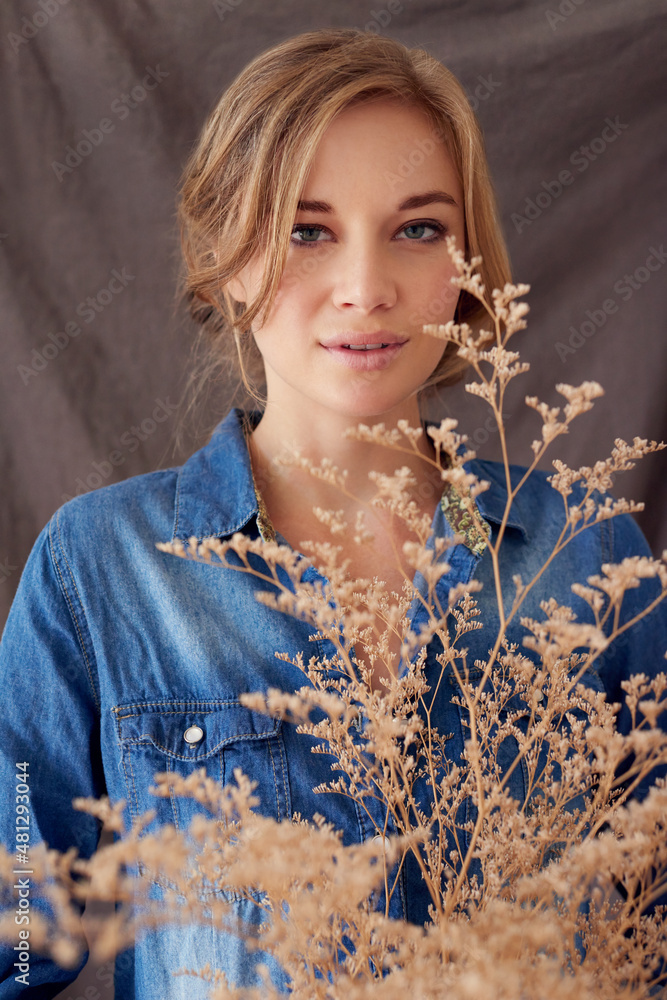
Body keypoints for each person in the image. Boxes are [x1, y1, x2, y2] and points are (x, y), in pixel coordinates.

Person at [1, 28, 665, 999]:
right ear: (228, 261)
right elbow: (18, 941)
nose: (367, 288)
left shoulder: (583, 556)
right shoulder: (101, 570)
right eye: (307, 230)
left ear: (468, 264)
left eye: (419, 228)